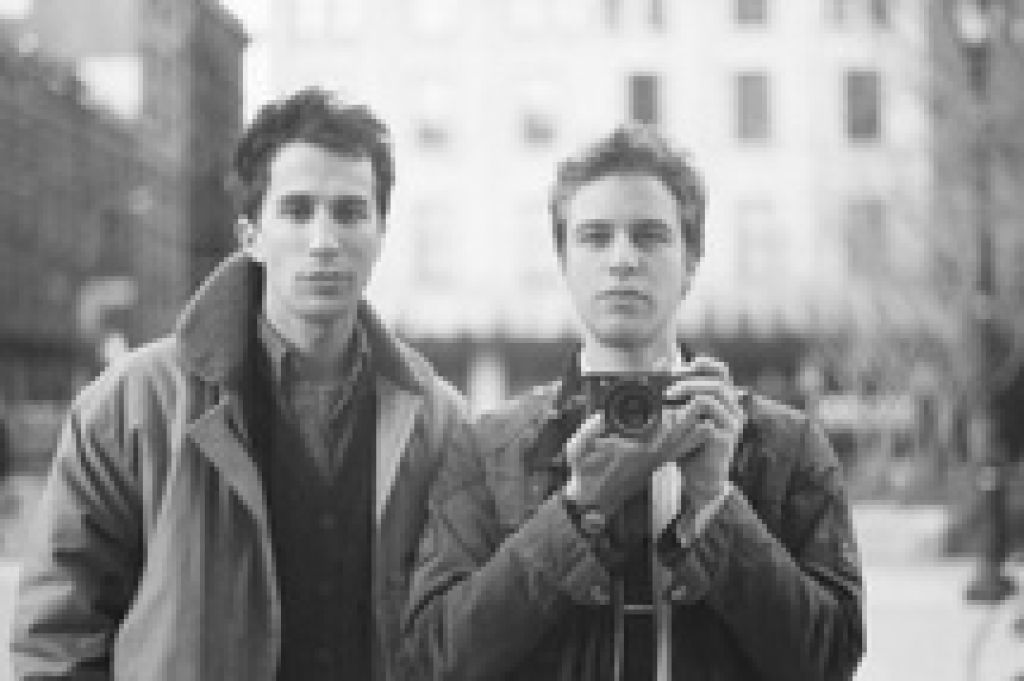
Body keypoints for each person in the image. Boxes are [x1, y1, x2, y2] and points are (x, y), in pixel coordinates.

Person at [11, 88, 469, 680]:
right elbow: (58, 637)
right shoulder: (133, 406)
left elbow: (465, 630)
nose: (324, 241)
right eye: (297, 211)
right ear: (251, 235)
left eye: (350, 212)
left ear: (380, 233)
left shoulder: (440, 423)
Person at [402, 126, 865, 680]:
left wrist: (716, 504)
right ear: (563, 261)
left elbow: (831, 660)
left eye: (650, 236)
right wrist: (576, 511)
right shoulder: (487, 448)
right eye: (595, 237)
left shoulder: (783, 445)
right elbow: (434, 659)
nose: (623, 259)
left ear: (691, 261)